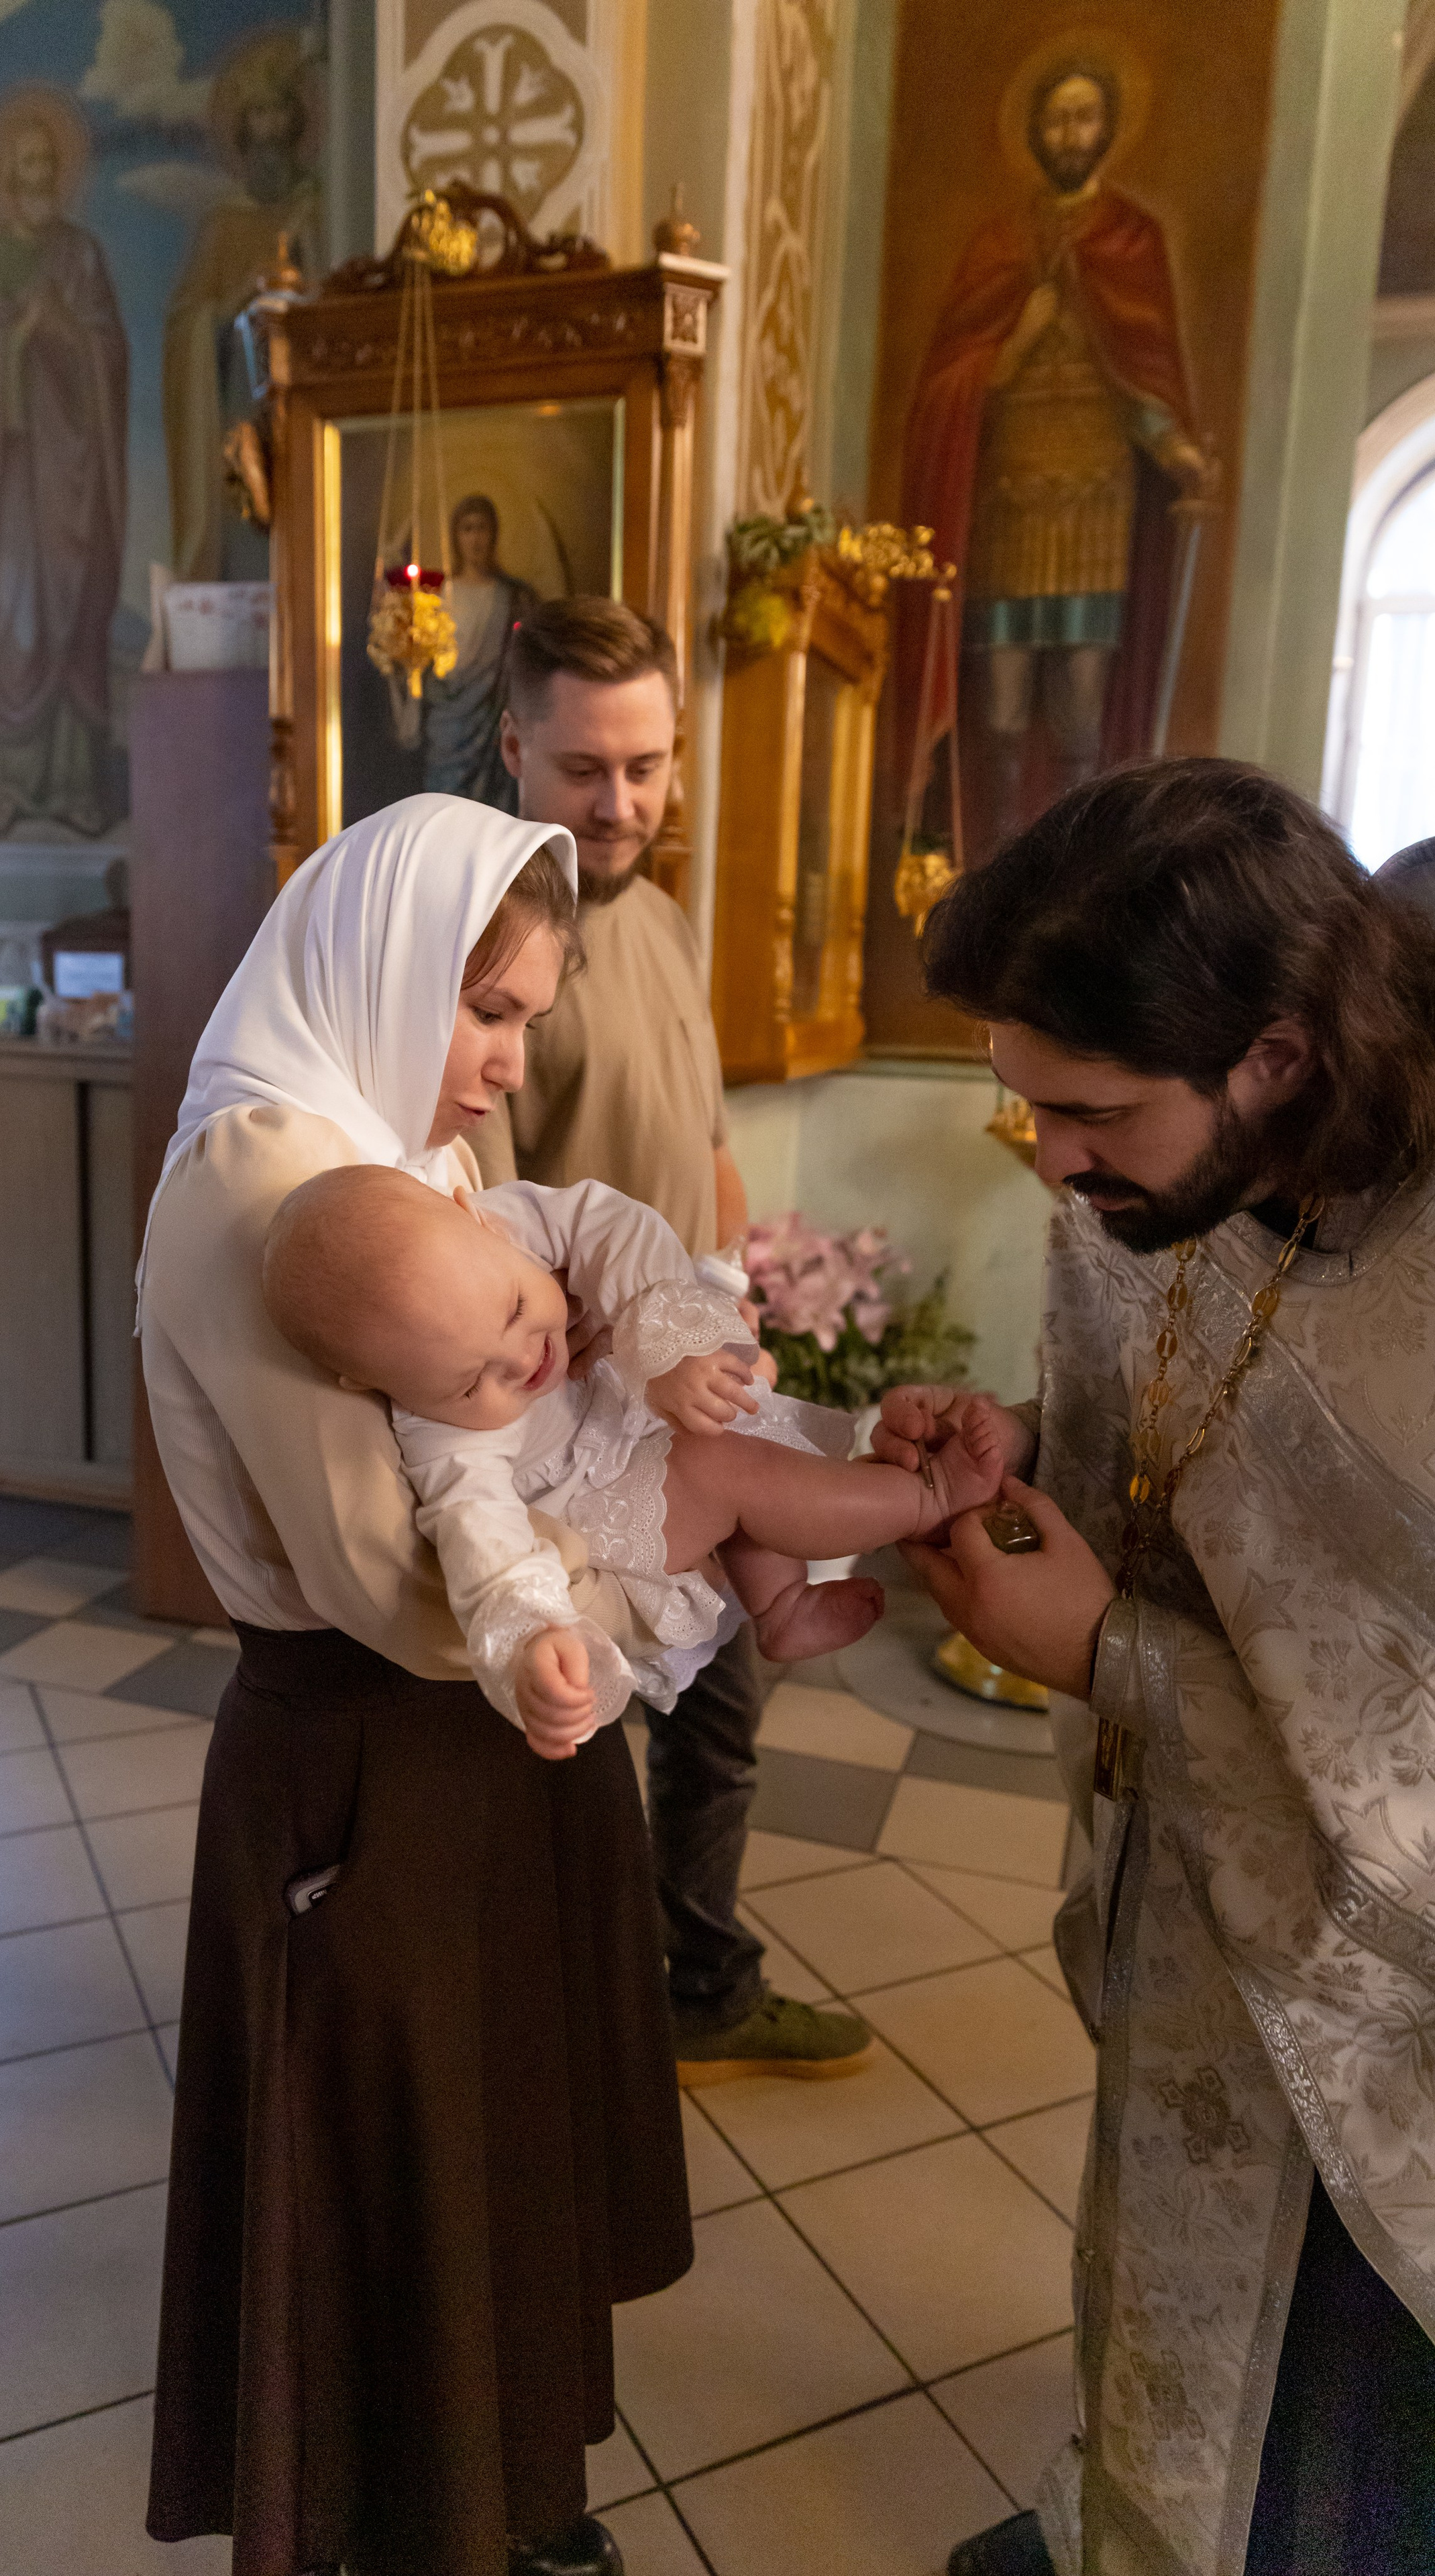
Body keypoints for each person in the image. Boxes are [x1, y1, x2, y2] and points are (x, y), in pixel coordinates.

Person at [877, 760, 1435, 2576]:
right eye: (1027, 1105)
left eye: (1093, 1112)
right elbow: (1165, 1448)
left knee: (1327, 2454)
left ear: (1276, 1057)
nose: (1049, 1159)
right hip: (1187, 1910)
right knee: (1157, 2315)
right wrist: (1023, 1449)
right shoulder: (1140, 1208)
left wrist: (1119, 1662)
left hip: (1383, 2048)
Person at [140, 794, 694, 2576]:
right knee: (398, 2230)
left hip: (484, 1750)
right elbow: (393, 1589)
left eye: (527, 1018)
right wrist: (673, 1542)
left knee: (496, 2178)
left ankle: (524, 2509)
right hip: (374, 1766)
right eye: (490, 1015)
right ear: (379, 964)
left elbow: (504, 1439)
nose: (504, 1068)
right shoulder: (264, 1182)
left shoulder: (386, 1139)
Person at [479, 594, 875, 2084]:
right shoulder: (497, 936)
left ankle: (699, 1984)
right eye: (585, 767)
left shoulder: (657, 915)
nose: (622, 801)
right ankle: (551, 2023)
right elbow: (489, 1235)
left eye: (647, 765)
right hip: (572, 1437)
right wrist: (633, 1359)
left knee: (720, 1724)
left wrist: (732, 1312)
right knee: (559, 1748)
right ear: (514, 744)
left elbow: (701, 1150)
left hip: (688, 1402)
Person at [264, 1164, 1000, 1731]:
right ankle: (924, 1498)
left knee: (722, 1424)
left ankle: (781, 1604)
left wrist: (666, 1344)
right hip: (596, 1513)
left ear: (473, 1217)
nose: (524, 1360)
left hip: (631, 1414)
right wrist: (528, 1639)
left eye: (517, 1307)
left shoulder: (505, 1219)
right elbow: (479, 1538)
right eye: (469, 1382)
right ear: (374, 1385)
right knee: (723, 1466)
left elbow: (609, 1223)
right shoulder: (439, 1435)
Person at [898, 52, 1214, 852]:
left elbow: (1145, 373)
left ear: (1107, 128)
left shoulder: (1129, 238)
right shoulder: (1003, 241)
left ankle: (1064, 869)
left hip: (1095, 506)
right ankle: (996, 860)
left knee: (1079, 710)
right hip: (1009, 505)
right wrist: (1022, 335)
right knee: (1000, 714)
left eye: (1085, 117)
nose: (1071, 133)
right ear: (1034, 130)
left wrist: (1176, 449)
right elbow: (955, 380)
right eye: (1057, 117)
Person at [0, 96, 127, 839]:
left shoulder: (81, 254)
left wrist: (67, 335)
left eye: (51, 164)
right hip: (15, 477)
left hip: (76, 473)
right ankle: (19, 783)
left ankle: (79, 785)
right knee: (19, 622)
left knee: (78, 614)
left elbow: (111, 351)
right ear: (7, 177)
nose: (41, 175)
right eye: (28, 165)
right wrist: (17, 341)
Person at [162, 30, 319, 582]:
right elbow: (188, 323)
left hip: (308, 394)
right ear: (240, 130)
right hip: (238, 394)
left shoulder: (317, 213)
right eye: (256, 116)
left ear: (296, 121)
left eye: (278, 113)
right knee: (250, 508)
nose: (269, 129)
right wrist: (238, 300)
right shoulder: (222, 226)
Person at [390, 494, 537, 807]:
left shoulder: (512, 597)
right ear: (455, 537)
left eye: (482, 528)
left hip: (490, 718)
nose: (475, 538)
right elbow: (417, 658)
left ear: (494, 534)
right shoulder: (438, 595)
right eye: (467, 529)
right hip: (446, 718)